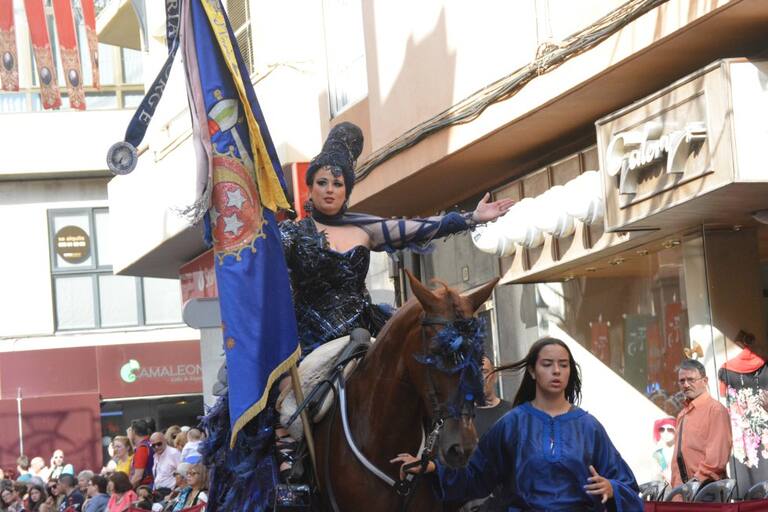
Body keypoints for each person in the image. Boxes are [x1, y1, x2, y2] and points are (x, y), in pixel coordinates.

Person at [391, 337, 643, 511]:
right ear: (532, 371)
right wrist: (433, 468)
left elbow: (628, 486)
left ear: (570, 371)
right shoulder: (512, 423)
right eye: (547, 364)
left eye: (563, 365)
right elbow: (477, 475)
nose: (556, 371)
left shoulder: (589, 427)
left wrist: (612, 488)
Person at [669, 359, 732, 489]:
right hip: (682, 491)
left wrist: (695, 482)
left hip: (705, 489)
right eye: (682, 381)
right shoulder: (682, 414)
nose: (686, 385)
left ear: (705, 381)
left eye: (691, 380)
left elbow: (716, 459)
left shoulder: (715, 410)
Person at [474, 355, 514, 437]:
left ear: (495, 376)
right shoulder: (463, 417)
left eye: (484, 372)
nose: (480, 378)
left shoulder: (511, 412)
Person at [128, 420, 154, 488]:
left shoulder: (142, 448)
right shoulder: (150, 443)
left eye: (130, 431)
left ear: (133, 432)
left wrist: (126, 491)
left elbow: (138, 476)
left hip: (145, 487)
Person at [652, 417, 676, 483]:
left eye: (670, 429)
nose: (665, 432)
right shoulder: (658, 454)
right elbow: (655, 477)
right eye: (662, 429)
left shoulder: (681, 450)